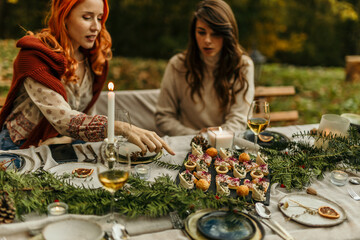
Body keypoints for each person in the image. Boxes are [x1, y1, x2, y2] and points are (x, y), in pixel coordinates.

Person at [0, 0, 174, 155]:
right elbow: (63, 119)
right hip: (18, 148)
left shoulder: (93, 58)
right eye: (87, 17)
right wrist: (119, 127)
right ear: (64, 16)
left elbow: (87, 112)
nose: (96, 27)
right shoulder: (35, 57)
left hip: (59, 146)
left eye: (99, 18)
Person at [155, 0, 254, 136]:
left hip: (227, 144)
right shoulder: (177, 65)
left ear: (227, 35)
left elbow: (239, 119)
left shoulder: (243, 65)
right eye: (202, 32)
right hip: (186, 143)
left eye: (215, 34)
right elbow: (163, 117)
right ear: (193, 33)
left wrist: (216, 136)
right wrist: (197, 135)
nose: (207, 40)